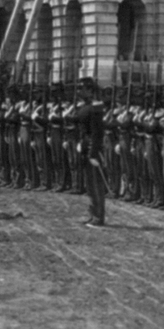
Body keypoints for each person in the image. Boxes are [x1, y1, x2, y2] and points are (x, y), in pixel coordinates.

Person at [76, 77, 106, 227]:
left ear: (90, 90)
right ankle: (93, 212)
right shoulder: (86, 106)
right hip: (85, 145)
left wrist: (93, 153)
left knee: (96, 184)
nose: (79, 91)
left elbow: (96, 133)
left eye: (82, 88)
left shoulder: (96, 107)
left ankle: (99, 216)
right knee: (89, 184)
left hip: (92, 149)